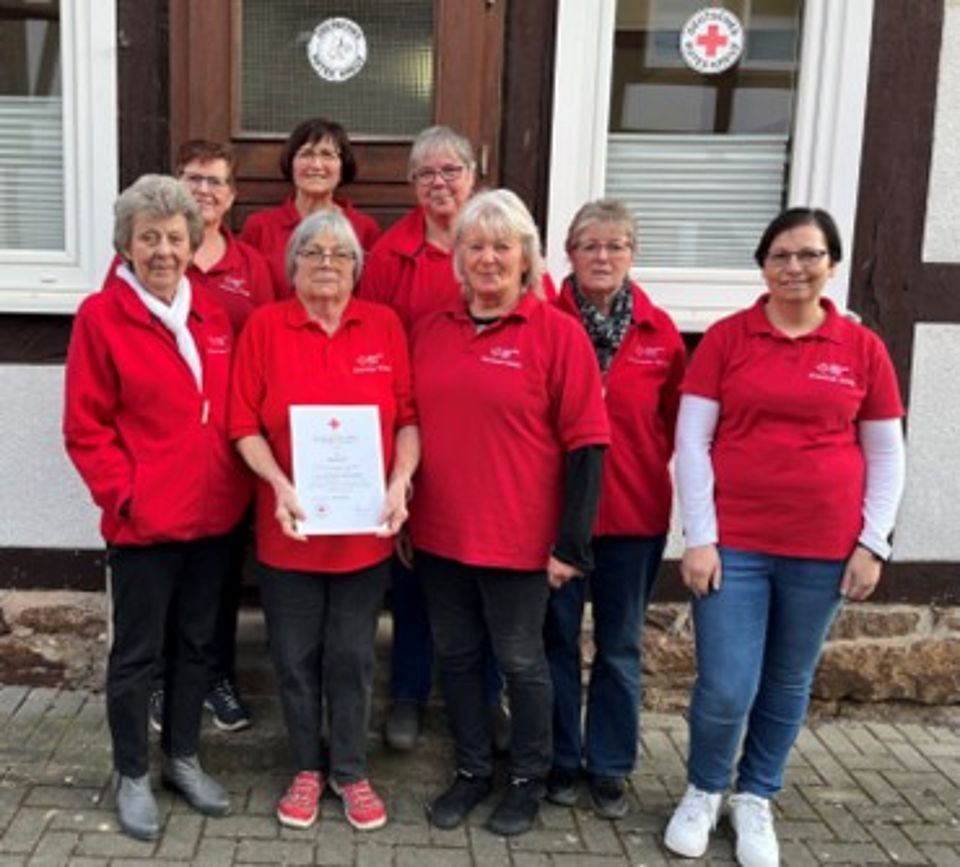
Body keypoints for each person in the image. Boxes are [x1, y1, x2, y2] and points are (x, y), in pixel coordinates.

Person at [663, 208, 905, 867]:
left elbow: (886, 453)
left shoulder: (861, 349)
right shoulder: (726, 339)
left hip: (824, 547)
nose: (794, 267)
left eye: (809, 254)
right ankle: (705, 786)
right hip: (735, 543)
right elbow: (692, 441)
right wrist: (700, 536)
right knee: (725, 683)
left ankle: (755, 795)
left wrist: (873, 541)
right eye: (781, 255)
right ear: (763, 264)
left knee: (788, 679)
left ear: (832, 264)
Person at [410, 189, 610, 836]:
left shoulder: (558, 334)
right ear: (458, 257)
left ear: (527, 258)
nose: (489, 258)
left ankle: (527, 776)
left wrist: (570, 545)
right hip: (440, 534)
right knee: (459, 656)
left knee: (522, 661)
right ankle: (472, 769)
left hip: (521, 541)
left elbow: (588, 446)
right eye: (476, 245)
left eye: (503, 246)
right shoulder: (431, 330)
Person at [63, 175, 251, 840]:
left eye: (175, 237)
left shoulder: (213, 315)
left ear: (193, 241)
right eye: (150, 238)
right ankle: (133, 772)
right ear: (127, 245)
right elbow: (85, 429)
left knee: (199, 646)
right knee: (138, 655)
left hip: (215, 518)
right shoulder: (100, 317)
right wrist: (127, 495)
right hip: (145, 522)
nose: (164, 250)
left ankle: (184, 757)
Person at [229, 210, 419, 832]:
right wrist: (279, 484)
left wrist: (399, 481)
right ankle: (306, 767)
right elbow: (242, 425)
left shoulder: (384, 326)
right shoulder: (264, 327)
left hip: (365, 535)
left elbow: (408, 419)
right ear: (293, 265)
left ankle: (352, 769)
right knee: (293, 656)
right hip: (292, 530)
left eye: (340, 253)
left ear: (357, 267)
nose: (328, 263)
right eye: (313, 252)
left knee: (352, 656)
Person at [358, 125, 506, 752]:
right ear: (412, 185)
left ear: (474, 174)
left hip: (493, 438)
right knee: (415, 573)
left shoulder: (504, 239)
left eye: (451, 170)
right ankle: (410, 694)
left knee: (492, 569)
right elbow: (370, 343)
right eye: (426, 174)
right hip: (416, 435)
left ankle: (488, 696)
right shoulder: (391, 255)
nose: (440, 183)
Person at [544, 200, 684, 819]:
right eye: (590, 246)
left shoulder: (660, 334)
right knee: (555, 641)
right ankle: (559, 759)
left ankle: (609, 765)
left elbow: (676, 426)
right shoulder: (544, 323)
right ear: (568, 254)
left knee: (621, 646)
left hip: (633, 516)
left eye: (616, 246)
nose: (603, 258)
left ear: (632, 254)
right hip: (556, 519)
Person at [141, 139, 273, 735]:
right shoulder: (154, 256)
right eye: (193, 179)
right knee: (165, 576)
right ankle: (159, 680)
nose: (203, 191)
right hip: (163, 453)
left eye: (216, 182)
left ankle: (216, 676)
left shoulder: (252, 268)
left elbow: (269, 350)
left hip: (231, 448)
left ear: (232, 195)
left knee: (218, 576)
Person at [240, 117, 380, 298]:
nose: (316, 165)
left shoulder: (364, 228)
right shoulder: (259, 226)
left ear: (342, 167)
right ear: (291, 164)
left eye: (327, 155)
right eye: (306, 154)